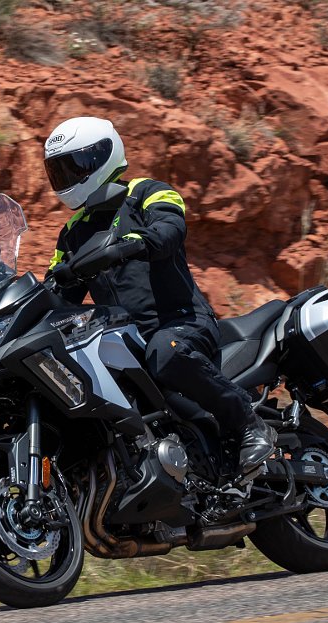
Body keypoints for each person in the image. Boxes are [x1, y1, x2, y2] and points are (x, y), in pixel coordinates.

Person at [43, 116, 275, 477]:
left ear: (103, 156)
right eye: (59, 171)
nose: (68, 178)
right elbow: (56, 292)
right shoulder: (71, 233)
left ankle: (248, 422)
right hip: (125, 342)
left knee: (164, 352)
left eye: (75, 166)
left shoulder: (145, 192)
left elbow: (170, 229)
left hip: (181, 322)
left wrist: (128, 246)